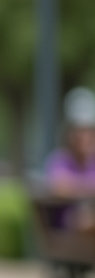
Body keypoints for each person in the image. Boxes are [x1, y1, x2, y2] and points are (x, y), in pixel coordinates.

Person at [44, 97, 95, 231]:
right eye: (77, 131)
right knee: (84, 219)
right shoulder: (58, 160)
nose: (82, 137)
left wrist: (76, 186)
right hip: (67, 230)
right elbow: (60, 186)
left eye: (87, 131)